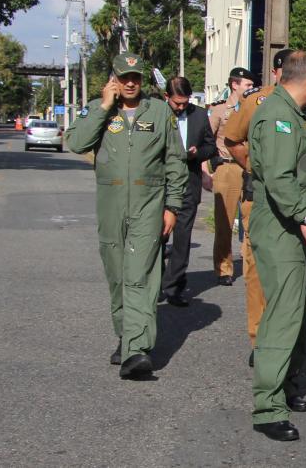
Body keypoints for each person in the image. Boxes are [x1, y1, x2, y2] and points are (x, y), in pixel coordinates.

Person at [65, 52, 188, 379]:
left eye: (135, 78)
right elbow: (76, 142)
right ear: (114, 79)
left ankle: (137, 349)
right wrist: (105, 107)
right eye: (124, 78)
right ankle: (125, 334)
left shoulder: (159, 111)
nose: (130, 83)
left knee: (140, 275)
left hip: (149, 204)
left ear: (142, 80)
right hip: (111, 203)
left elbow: (175, 161)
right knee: (118, 274)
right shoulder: (98, 108)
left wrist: (172, 206)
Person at [223, 50, 306, 368]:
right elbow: (232, 139)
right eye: (278, 71)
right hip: (264, 202)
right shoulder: (258, 102)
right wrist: (257, 167)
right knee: (260, 277)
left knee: (300, 283)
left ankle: (285, 356)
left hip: (303, 205)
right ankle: (261, 343)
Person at [247, 50, 306, 442]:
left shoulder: (296, 114)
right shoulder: (278, 115)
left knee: (302, 311)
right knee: (284, 314)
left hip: (294, 228)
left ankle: (286, 385)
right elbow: (279, 178)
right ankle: (268, 407)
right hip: (283, 228)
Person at [160, 77, 217, 307]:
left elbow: (210, 147)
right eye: (177, 103)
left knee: (182, 238)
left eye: (185, 103)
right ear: (166, 97)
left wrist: (197, 153)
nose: (181, 107)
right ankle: (154, 282)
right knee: (158, 236)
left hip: (188, 184)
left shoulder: (199, 115)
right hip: (160, 186)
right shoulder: (156, 114)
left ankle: (174, 286)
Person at [208, 67, 255, 286]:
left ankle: (249, 266)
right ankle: (223, 268)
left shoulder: (253, 107)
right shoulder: (220, 110)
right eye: (247, 84)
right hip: (226, 167)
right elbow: (208, 138)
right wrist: (207, 169)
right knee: (224, 222)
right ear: (234, 85)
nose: (251, 88)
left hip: (248, 167)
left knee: (251, 220)